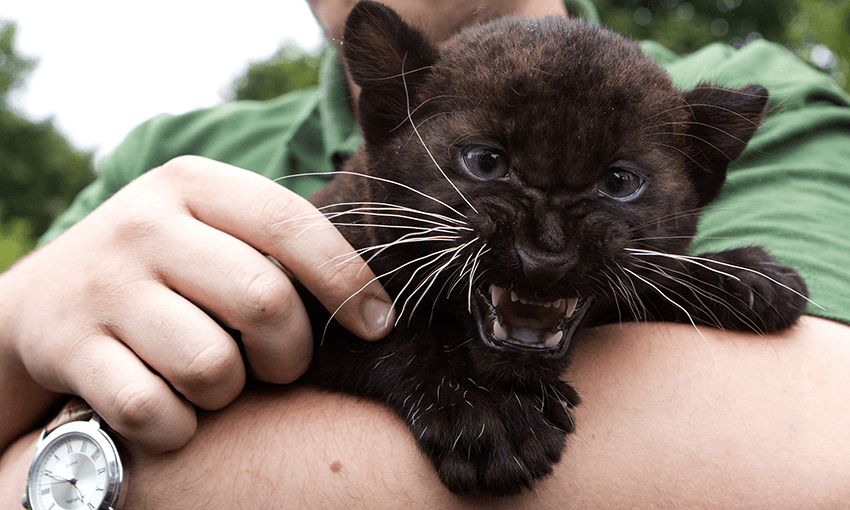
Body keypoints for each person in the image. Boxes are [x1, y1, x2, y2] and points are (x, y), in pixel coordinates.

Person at [2, 0, 850, 507]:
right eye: (485, 164)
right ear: (388, 119)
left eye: (619, 183)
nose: (547, 238)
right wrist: (15, 327)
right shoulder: (163, 155)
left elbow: (815, 453)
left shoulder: (753, 86)